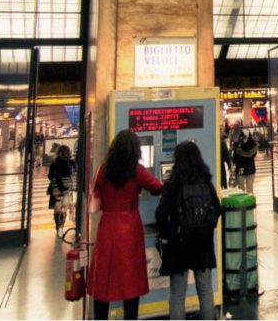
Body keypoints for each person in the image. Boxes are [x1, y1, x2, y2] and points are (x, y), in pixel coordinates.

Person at [88, 130, 163, 320]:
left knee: (103, 277)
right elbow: (156, 187)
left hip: (107, 224)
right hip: (129, 226)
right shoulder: (136, 170)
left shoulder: (103, 170)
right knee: (132, 279)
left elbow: (94, 198)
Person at [155, 140, 221, 320]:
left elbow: (161, 214)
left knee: (177, 295)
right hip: (203, 243)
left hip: (179, 243)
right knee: (206, 291)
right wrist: (206, 228)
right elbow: (217, 208)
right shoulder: (205, 181)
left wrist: (168, 234)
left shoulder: (173, 183)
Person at [47, 144, 74, 234]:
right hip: (66, 189)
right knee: (64, 208)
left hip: (56, 189)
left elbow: (50, 176)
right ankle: (61, 227)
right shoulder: (70, 163)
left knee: (57, 209)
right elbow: (73, 174)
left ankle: (58, 226)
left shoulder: (54, 164)